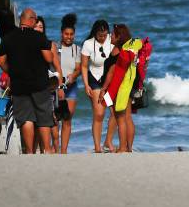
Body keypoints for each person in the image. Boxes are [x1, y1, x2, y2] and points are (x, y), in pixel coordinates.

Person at [0, 8, 56, 154]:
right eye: (35, 20)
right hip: (39, 84)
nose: (36, 23)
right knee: (43, 117)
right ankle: (47, 150)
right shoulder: (39, 37)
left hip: (19, 85)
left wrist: (11, 71)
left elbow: (1, 61)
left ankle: (29, 152)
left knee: (26, 119)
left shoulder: (8, 38)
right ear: (31, 20)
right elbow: (49, 58)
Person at [99, 24, 142, 153]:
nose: (110, 36)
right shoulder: (128, 50)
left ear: (118, 37)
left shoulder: (120, 52)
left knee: (120, 117)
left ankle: (123, 147)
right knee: (127, 117)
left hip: (120, 86)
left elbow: (111, 73)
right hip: (130, 85)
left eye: (112, 34)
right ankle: (128, 147)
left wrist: (103, 88)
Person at [81, 19, 117, 153]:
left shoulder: (111, 40)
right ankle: (97, 147)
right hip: (94, 78)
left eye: (105, 35)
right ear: (95, 33)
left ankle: (108, 141)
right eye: (100, 35)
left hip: (109, 78)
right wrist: (86, 85)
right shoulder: (88, 44)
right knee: (99, 113)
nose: (103, 38)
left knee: (115, 112)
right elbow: (84, 66)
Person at [34, 16, 65, 153]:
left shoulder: (49, 44)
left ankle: (54, 149)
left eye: (41, 27)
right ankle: (39, 150)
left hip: (48, 86)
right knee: (36, 120)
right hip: (33, 85)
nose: (38, 29)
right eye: (36, 26)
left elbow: (57, 67)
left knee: (51, 119)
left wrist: (60, 87)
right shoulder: (29, 43)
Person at [57, 13, 82, 154]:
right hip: (56, 87)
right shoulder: (55, 47)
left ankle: (64, 151)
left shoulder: (77, 50)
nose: (69, 37)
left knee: (67, 119)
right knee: (55, 120)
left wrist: (74, 75)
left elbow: (79, 68)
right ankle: (54, 148)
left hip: (71, 88)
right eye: (66, 34)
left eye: (71, 34)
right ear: (61, 34)